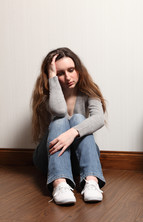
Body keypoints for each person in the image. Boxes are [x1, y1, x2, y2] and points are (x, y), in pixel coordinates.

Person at [31, 47, 106, 205]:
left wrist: (72, 133)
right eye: (59, 73)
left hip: (80, 158)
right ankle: (59, 183)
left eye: (71, 70)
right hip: (49, 156)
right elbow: (59, 110)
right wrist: (52, 78)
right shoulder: (47, 95)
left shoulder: (88, 92)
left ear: (78, 69)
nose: (68, 77)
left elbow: (99, 118)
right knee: (60, 119)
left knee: (79, 118)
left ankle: (91, 181)